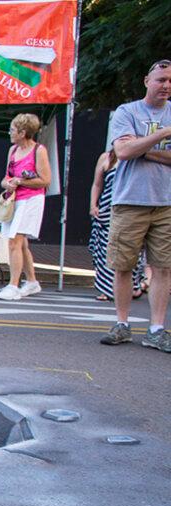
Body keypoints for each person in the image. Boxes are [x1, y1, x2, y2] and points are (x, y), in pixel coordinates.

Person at [100, 59, 171, 351]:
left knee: (163, 268)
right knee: (123, 266)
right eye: (161, 79)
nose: (166, 86)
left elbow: (134, 150)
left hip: (165, 202)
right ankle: (122, 324)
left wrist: (145, 149)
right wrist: (164, 134)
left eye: (170, 82)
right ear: (146, 81)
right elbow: (124, 151)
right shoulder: (127, 112)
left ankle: (156, 329)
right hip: (129, 200)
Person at [0, 114, 51, 299]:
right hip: (15, 199)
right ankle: (32, 281)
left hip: (31, 200)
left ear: (22, 132)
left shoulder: (38, 151)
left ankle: (13, 285)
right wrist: (8, 184)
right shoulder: (12, 151)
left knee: (14, 242)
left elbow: (45, 180)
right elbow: (6, 177)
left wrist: (20, 181)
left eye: (12, 130)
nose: (10, 133)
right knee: (21, 243)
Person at [89, 149, 146, 301]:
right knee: (104, 249)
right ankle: (105, 288)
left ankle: (133, 286)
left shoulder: (138, 157)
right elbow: (97, 184)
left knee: (129, 248)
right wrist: (93, 204)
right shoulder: (105, 157)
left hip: (129, 207)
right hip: (107, 208)